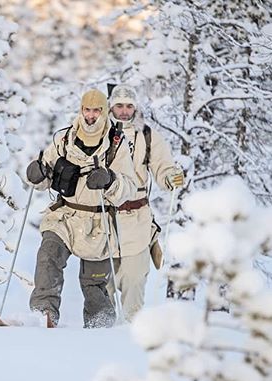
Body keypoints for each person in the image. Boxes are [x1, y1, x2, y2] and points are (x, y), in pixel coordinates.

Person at [25, 88, 138, 328]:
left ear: (104, 112)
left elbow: (129, 187)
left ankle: (100, 326)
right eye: (87, 110)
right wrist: (37, 175)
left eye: (97, 110)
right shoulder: (64, 139)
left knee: (94, 283)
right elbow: (45, 174)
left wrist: (109, 180)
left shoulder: (116, 145)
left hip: (98, 223)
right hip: (65, 215)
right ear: (81, 110)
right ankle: (43, 313)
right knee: (48, 257)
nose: (91, 116)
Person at [106, 84, 185, 321]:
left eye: (129, 106)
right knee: (103, 281)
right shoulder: (100, 132)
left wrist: (170, 176)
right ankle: (100, 332)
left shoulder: (148, 135)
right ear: (111, 106)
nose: (124, 111)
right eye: (119, 105)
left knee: (134, 277)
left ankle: (132, 330)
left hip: (137, 218)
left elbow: (163, 166)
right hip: (102, 216)